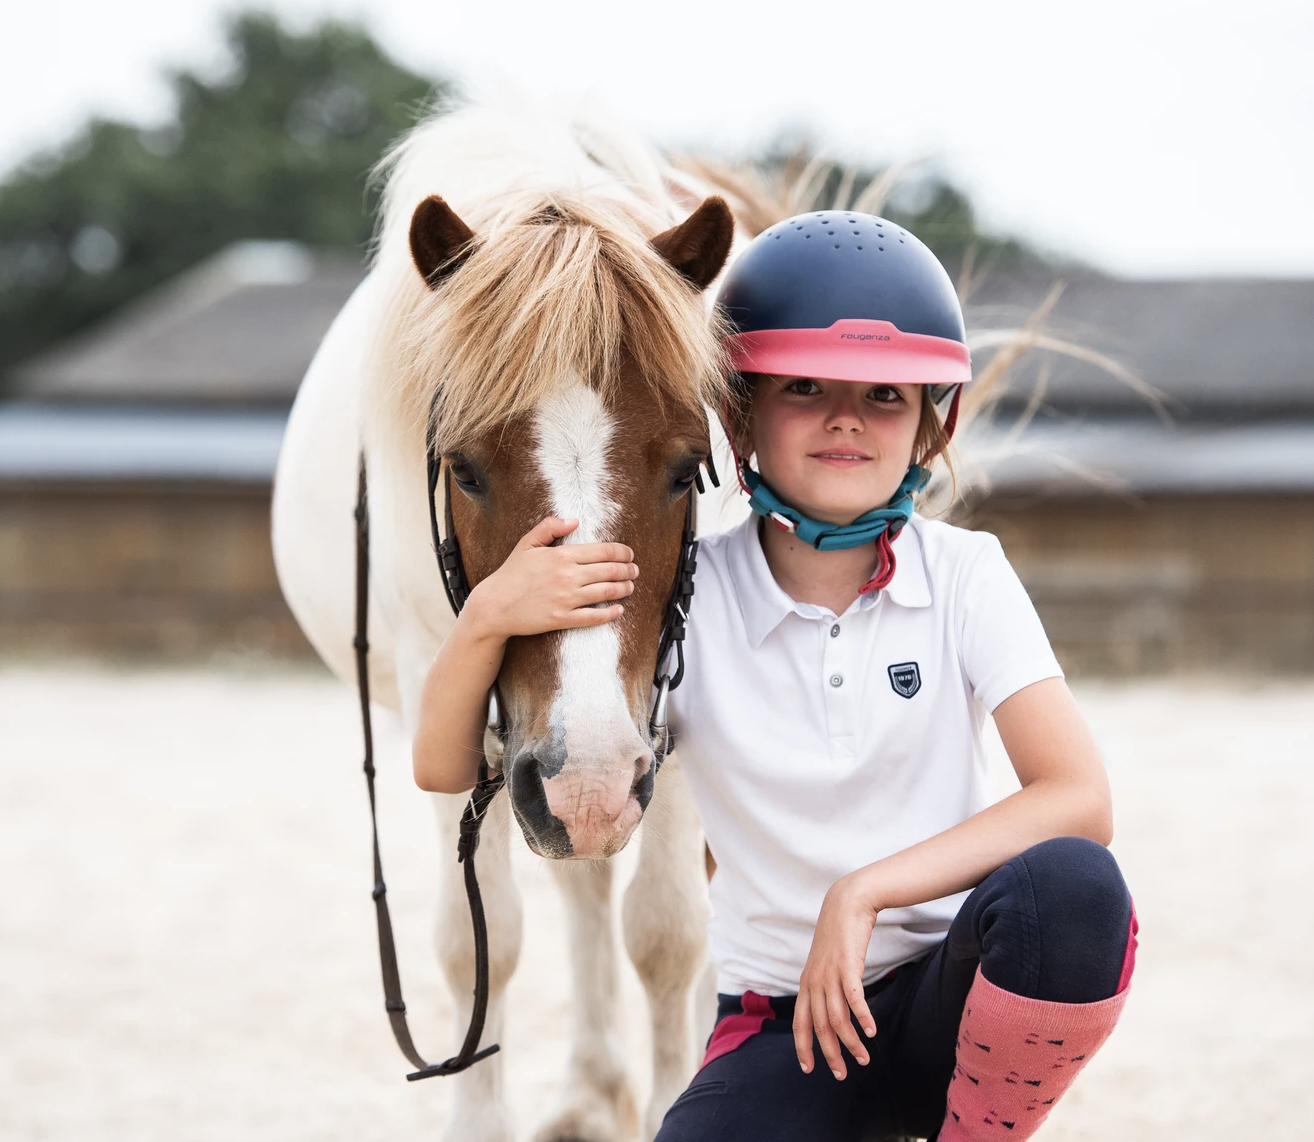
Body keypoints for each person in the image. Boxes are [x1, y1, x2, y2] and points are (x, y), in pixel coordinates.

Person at [414, 209, 1136, 1142]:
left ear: (930, 418)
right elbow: (441, 767)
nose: (846, 417)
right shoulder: (686, 594)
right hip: (782, 1026)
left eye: (886, 395)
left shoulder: (966, 574)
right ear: (740, 414)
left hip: (944, 1008)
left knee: (1072, 890)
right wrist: (488, 616)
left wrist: (863, 891)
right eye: (805, 387)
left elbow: (1080, 798)